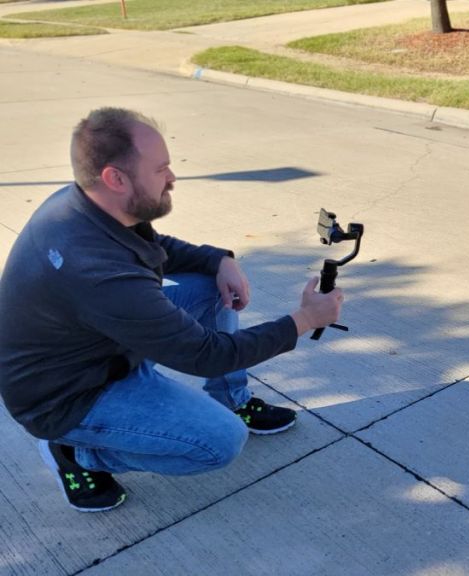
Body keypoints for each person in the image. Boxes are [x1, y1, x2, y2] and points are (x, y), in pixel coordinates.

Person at [0, 108, 343, 512]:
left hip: (94, 346)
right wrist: (305, 319)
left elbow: (154, 243)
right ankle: (77, 454)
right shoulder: (98, 272)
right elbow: (206, 354)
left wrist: (218, 260)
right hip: (68, 395)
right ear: (115, 178)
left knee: (209, 287)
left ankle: (230, 397)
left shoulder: (84, 202)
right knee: (219, 442)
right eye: (161, 169)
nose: (173, 179)